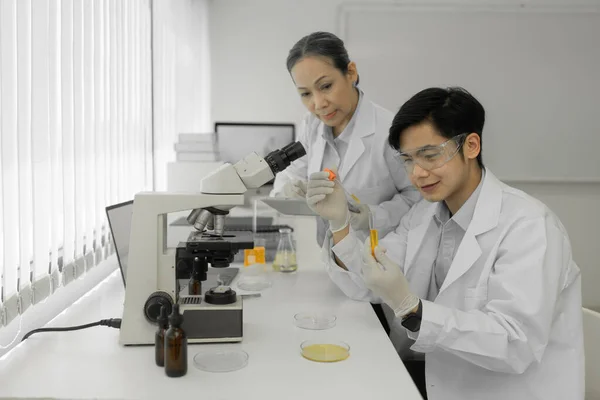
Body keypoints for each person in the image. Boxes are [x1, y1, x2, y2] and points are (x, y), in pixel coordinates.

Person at [308, 87, 584, 400]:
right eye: (408, 160)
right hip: (437, 378)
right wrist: (340, 224)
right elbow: (368, 284)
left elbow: (515, 344)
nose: (417, 174)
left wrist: (412, 310)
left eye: (430, 155)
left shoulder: (530, 226)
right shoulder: (424, 214)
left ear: (471, 145)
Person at [270, 31, 420, 246]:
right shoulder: (311, 124)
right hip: (326, 258)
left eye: (326, 86)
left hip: (378, 258)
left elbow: (417, 196)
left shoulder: (390, 130)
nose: (319, 103)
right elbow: (293, 172)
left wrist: (372, 216)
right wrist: (288, 190)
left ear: (351, 72)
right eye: (306, 94)